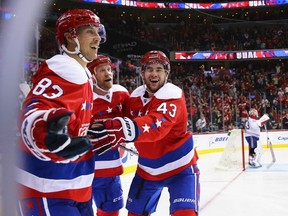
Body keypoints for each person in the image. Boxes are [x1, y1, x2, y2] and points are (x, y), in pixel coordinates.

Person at [16, 9, 112, 216]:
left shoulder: (82, 72)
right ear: (71, 36)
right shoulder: (64, 68)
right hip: (47, 186)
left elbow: (70, 117)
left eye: (98, 31)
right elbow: (35, 110)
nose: (98, 38)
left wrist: (87, 129)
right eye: (90, 31)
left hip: (74, 186)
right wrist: (44, 134)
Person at [124, 50, 200, 216]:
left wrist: (119, 128)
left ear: (166, 73)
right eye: (149, 69)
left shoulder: (172, 94)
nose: (154, 73)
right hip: (147, 170)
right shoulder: (134, 98)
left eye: (159, 69)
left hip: (180, 169)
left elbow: (155, 127)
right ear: (142, 72)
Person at [87, 55, 130, 216]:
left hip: (111, 170)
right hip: (84, 171)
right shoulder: (83, 98)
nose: (108, 74)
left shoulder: (121, 94)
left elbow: (133, 122)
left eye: (109, 69)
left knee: (111, 212)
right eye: (102, 70)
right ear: (92, 75)